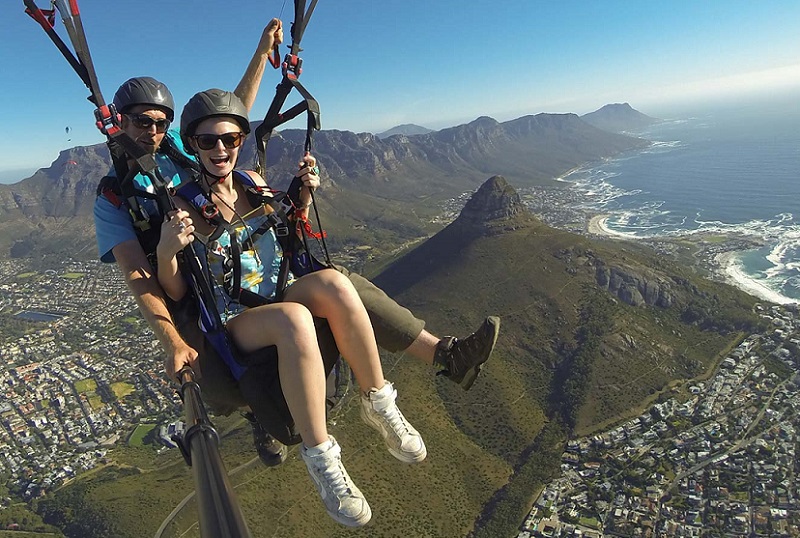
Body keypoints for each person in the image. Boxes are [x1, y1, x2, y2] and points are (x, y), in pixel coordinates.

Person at [93, 18, 499, 464]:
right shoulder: (115, 196)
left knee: (338, 282)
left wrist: (260, 52)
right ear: (119, 123)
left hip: (240, 264)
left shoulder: (183, 149)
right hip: (194, 292)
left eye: (161, 122)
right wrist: (172, 338)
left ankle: (444, 357)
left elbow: (233, 115)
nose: (151, 131)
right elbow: (139, 276)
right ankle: (265, 420)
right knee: (255, 343)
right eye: (140, 122)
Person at [152, 88, 424, 526]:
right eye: (207, 141)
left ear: (241, 139)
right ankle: (321, 458)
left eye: (231, 138)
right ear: (194, 146)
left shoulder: (253, 185)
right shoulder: (182, 206)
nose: (220, 149)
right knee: (295, 317)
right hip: (235, 318)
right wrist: (167, 251)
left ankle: (378, 402)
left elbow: (282, 239)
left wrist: (301, 197)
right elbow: (179, 290)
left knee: (335, 284)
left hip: (279, 291)